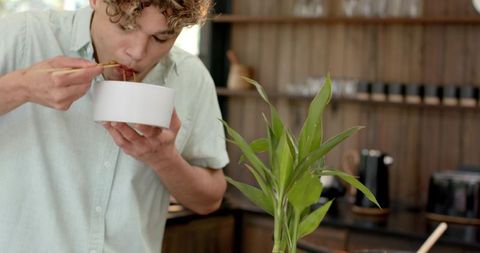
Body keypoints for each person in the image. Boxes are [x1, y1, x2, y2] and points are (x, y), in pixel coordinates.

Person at [0, 0, 229, 252]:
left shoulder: (191, 78)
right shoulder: (21, 36)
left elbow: (210, 200)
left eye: (161, 38)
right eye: (125, 26)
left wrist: (165, 160)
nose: (137, 52)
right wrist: (20, 87)